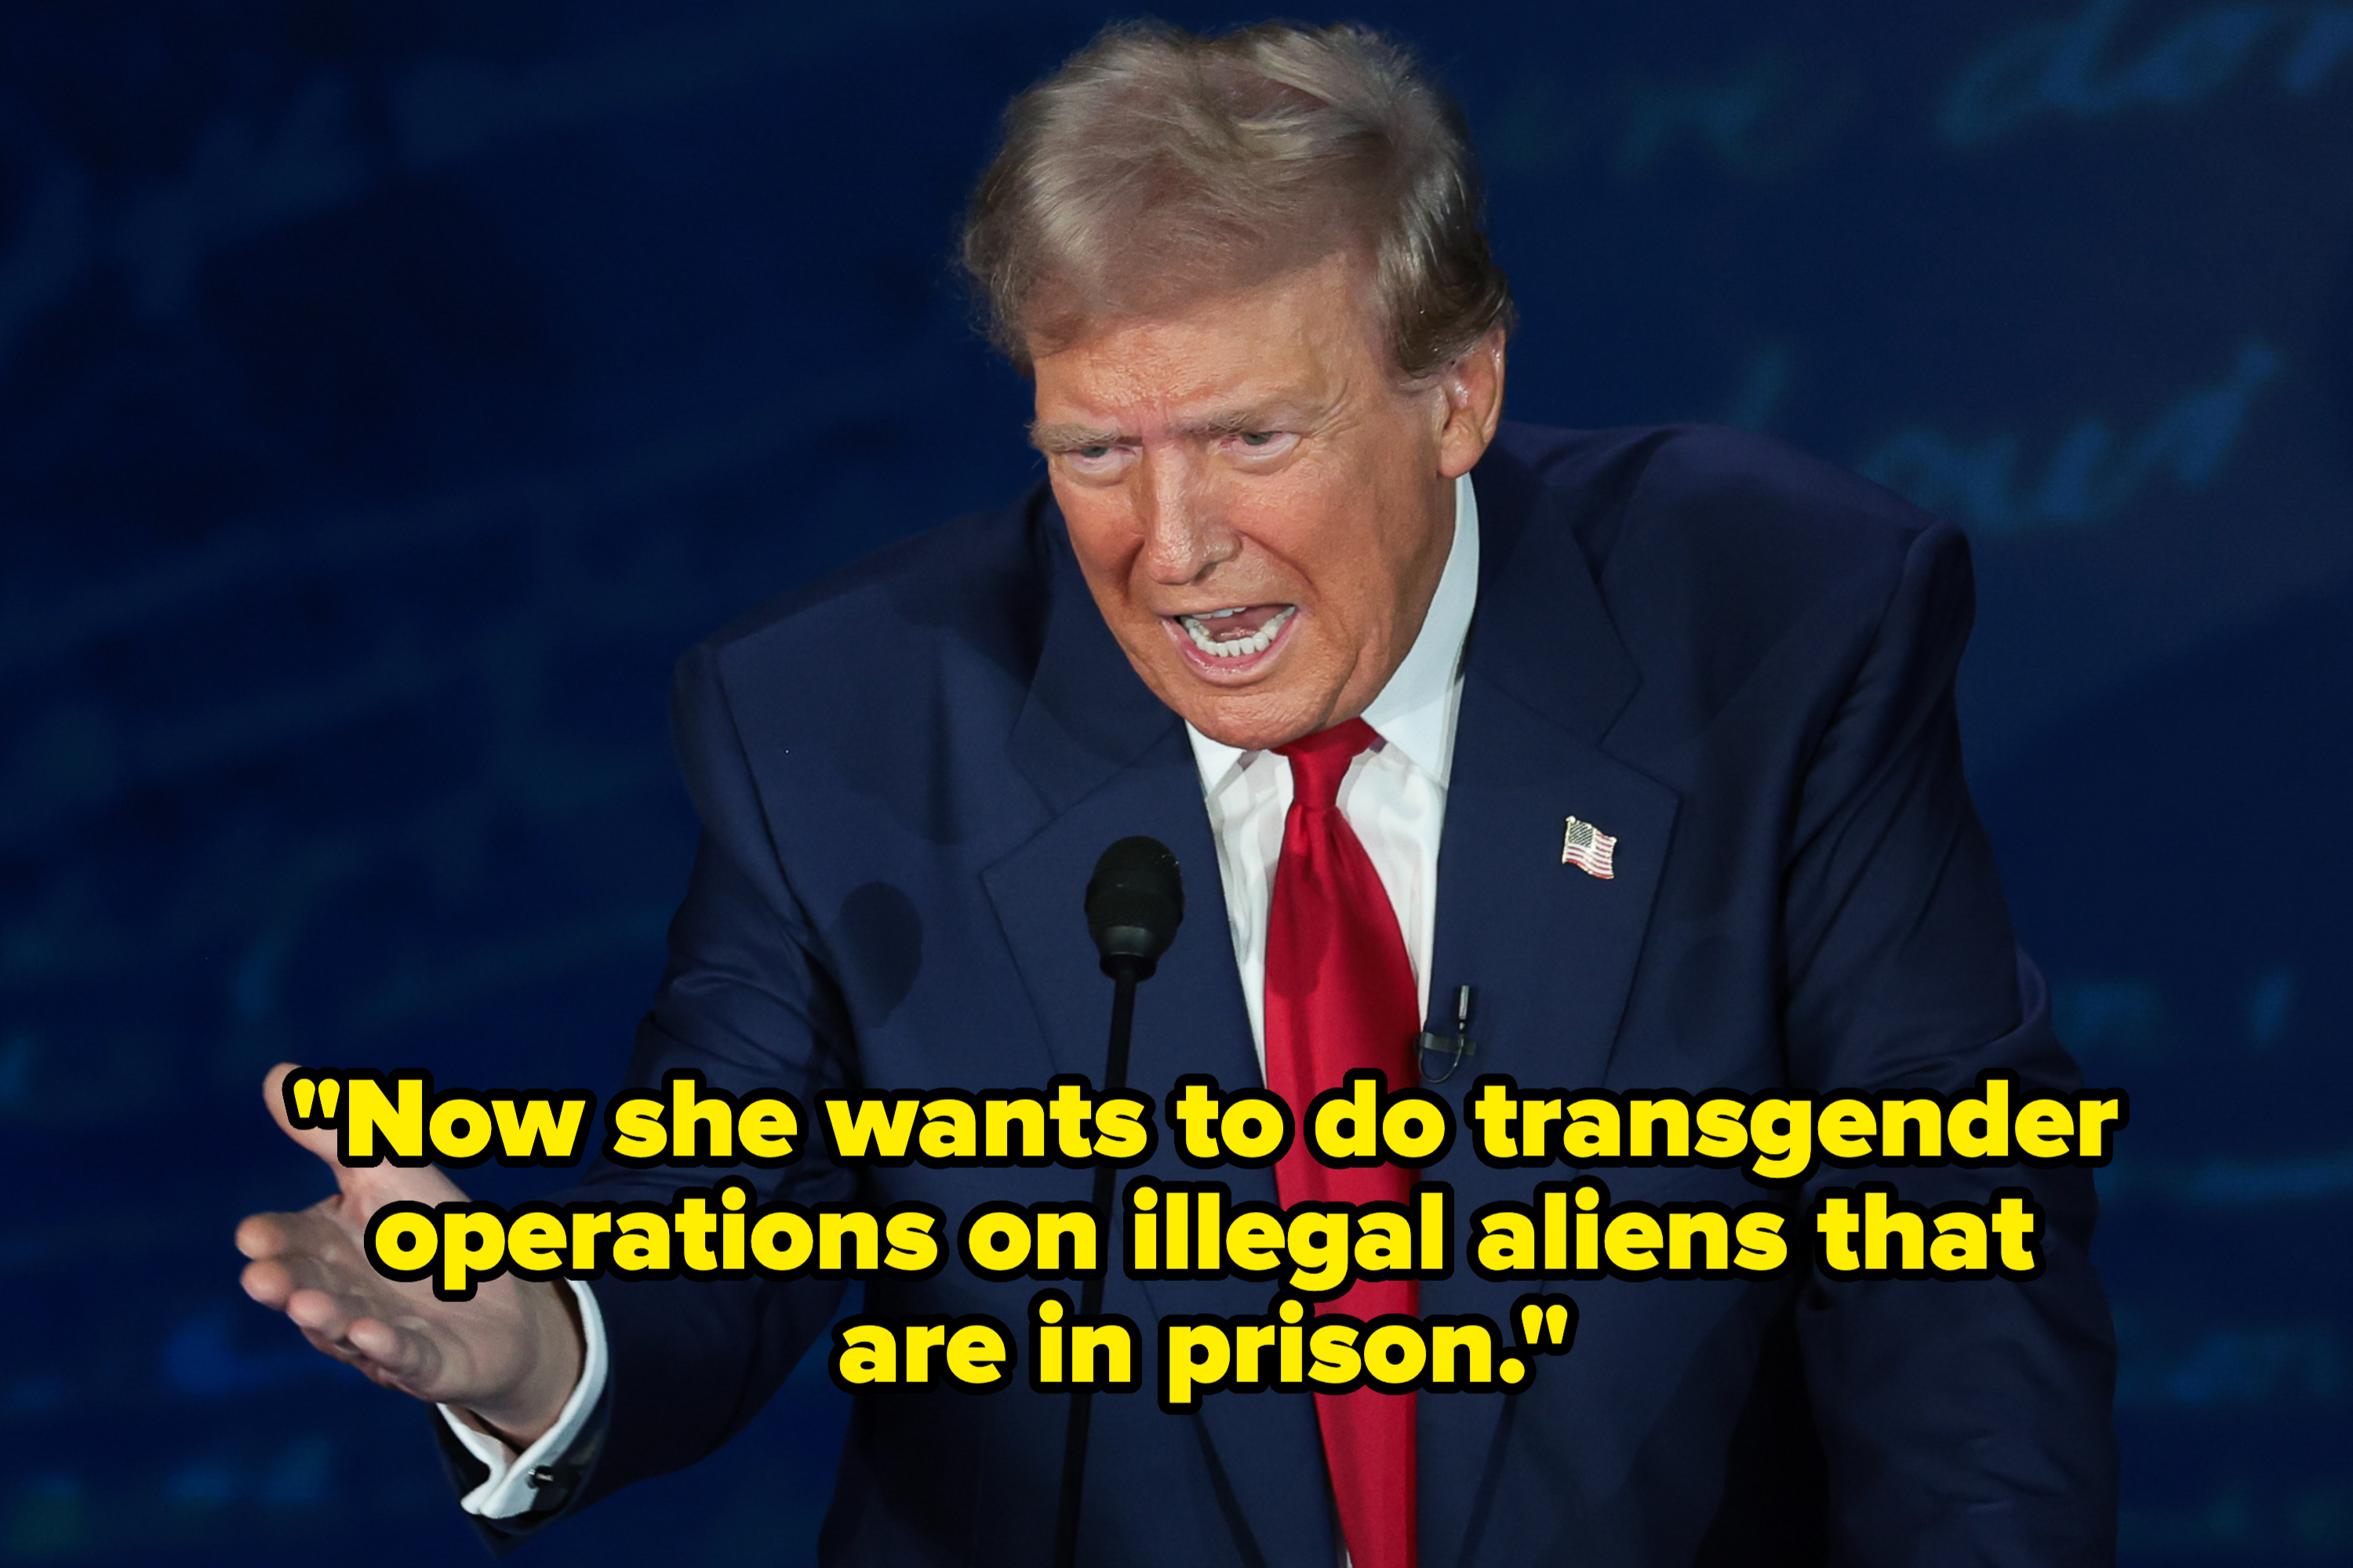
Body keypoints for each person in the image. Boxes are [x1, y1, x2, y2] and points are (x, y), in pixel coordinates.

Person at [235, 20, 2117, 1566]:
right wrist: (529, 1336)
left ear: (1457, 393)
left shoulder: (1779, 629)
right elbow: (725, 1194)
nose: (1174, 544)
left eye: (1249, 437)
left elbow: (1951, 1275)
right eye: (1095, 452)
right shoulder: (847, 726)